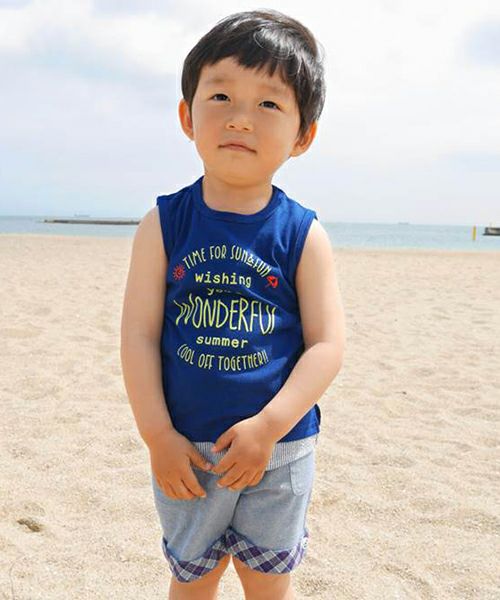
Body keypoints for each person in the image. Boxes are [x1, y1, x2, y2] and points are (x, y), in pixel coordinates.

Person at [120, 8, 345, 600]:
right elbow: (139, 335)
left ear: (303, 135)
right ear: (187, 116)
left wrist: (269, 427)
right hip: (185, 448)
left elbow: (327, 345)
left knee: (268, 583)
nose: (241, 118)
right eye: (220, 96)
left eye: (269, 103)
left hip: (278, 448)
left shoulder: (303, 234)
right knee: (192, 580)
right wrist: (156, 435)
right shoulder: (164, 224)